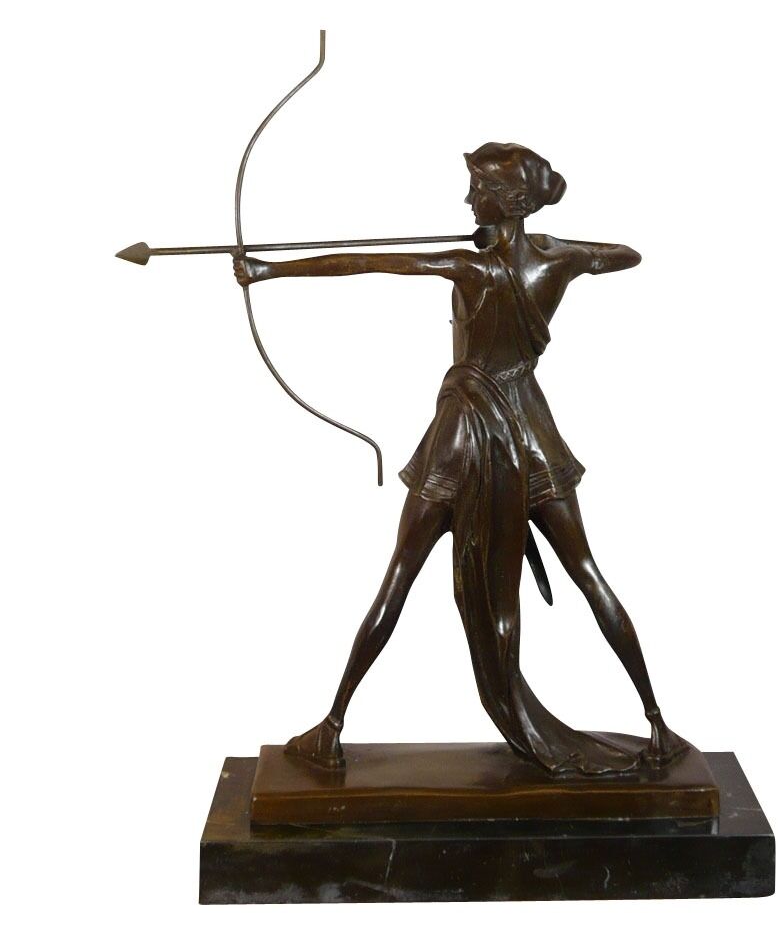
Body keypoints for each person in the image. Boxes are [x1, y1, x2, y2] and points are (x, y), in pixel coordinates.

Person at [234, 143, 684, 774]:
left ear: (509, 201)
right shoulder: (559, 261)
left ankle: (332, 726)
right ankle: (658, 724)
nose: (469, 200)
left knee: (400, 575)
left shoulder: (472, 268)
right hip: (532, 435)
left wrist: (269, 271)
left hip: (463, 436)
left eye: (480, 190)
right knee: (586, 572)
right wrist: (551, 245)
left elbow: (372, 262)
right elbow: (625, 254)